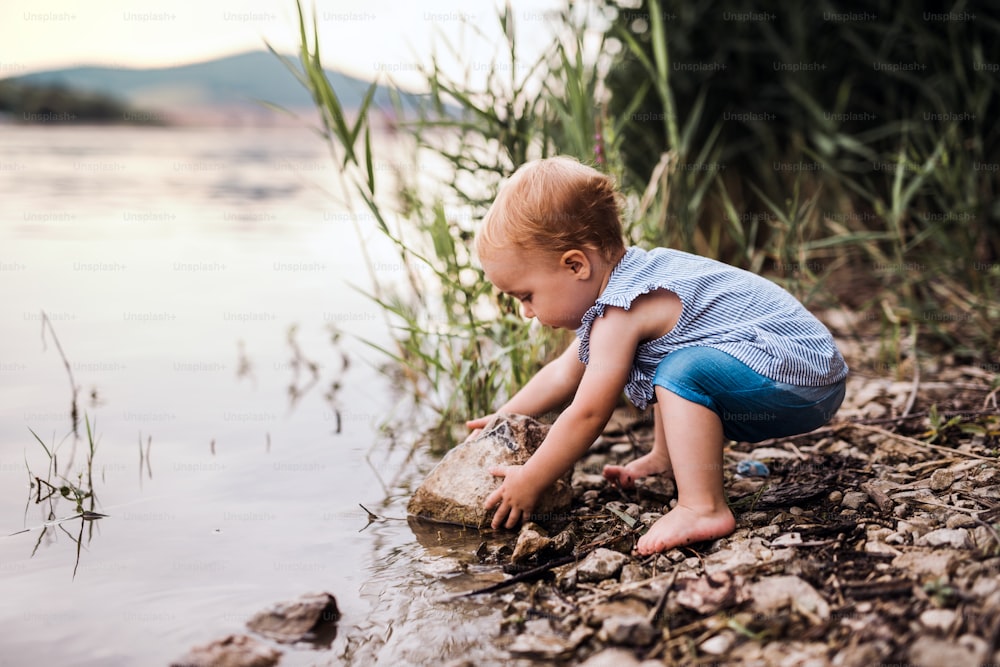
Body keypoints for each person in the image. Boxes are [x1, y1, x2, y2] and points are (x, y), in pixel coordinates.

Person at [466, 156, 847, 555]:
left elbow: (589, 413)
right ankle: (667, 459)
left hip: (798, 377)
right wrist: (502, 418)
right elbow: (562, 373)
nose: (526, 311)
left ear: (576, 265)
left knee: (681, 370)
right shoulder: (628, 284)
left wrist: (531, 478)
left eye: (526, 296)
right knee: (674, 359)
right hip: (807, 371)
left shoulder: (623, 309)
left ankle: (702, 507)